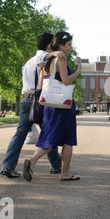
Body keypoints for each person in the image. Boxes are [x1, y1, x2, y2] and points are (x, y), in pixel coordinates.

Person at [0, 33, 66, 178]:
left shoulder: (27, 63)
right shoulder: (42, 58)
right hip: (38, 101)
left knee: (20, 134)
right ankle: (56, 166)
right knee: (50, 133)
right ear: (49, 44)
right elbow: (41, 59)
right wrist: (56, 53)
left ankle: (7, 165)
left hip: (25, 99)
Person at [23, 32, 82, 182]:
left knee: (50, 138)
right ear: (61, 45)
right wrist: (77, 70)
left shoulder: (46, 62)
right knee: (68, 139)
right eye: (68, 44)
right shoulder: (60, 58)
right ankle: (65, 173)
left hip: (49, 105)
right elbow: (66, 81)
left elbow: (42, 85)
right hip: (63, 106)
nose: (70, 47)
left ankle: (33, 161)